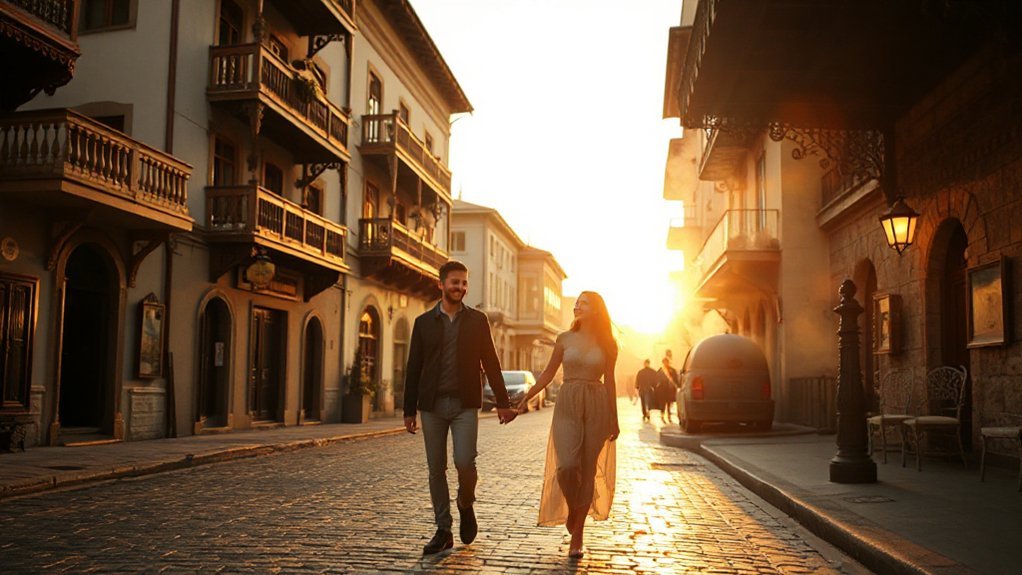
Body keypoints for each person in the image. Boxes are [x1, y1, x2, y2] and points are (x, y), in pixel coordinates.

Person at [403, 260, 519, 555]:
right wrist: (408, 410)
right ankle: (443, 530)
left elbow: (491, 362)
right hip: (431, 406)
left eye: (464, 283)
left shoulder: (478, 321)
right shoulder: (423, 323)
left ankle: (466, 503)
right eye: (455, 282)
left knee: (465, 462)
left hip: (465, 404)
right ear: (441, 284)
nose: (461, 287)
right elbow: (414, 367)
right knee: (436, 469)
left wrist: (503, 403)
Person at [515, 291, 620, 559]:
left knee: (587, 469)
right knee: (567, 467)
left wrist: (614, 418)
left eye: (583, 303)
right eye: (576, 303)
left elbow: (610, 381)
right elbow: (548, 373)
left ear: (596, 309)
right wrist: (526, 396)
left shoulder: (608, 343)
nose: (577, 307)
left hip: (596, 406)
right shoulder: (564, 338)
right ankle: (574, 509)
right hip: (567, 404)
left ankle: (578, 535)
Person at [655, 356, 678, 424]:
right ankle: (662, 415)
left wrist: (676, 386)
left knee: (669, 403)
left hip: (669, 389)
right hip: (662, 389)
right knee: (663, 403)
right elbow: (657, 378)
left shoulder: (672, 370)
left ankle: (669, 416)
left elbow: (675, 378)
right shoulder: (660, 370)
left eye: (666, 362)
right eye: (664, 362)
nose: (665, 363)